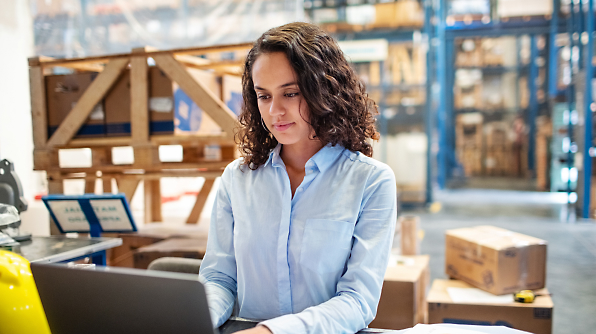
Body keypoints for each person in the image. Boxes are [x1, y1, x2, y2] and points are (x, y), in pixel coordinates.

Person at [198, 22, 397, 334]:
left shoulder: (370, 182)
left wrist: (271, 332)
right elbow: (220, 279)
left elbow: (357, 300)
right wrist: (195, 320)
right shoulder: (236, 180)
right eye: (263, 96)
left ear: (325, 91)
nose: (275, 111)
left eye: (290, 93)